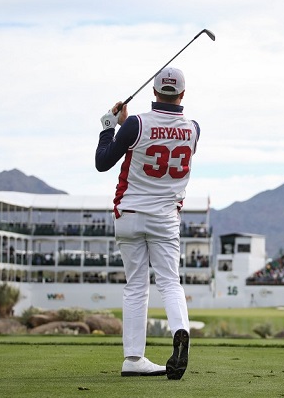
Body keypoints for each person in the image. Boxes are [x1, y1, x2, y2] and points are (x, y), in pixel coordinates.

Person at [95, 67, 198, 380]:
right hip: (165, 219)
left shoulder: (136, 124)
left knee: (136, 286)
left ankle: (133, 358)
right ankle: (180, 330)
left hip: (129, 215)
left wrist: (108, 127)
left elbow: (103, 162)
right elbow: (164, 139)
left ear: (154, 92)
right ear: (183, 93)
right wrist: (126, 126)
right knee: (169, 281)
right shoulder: (194, 129)